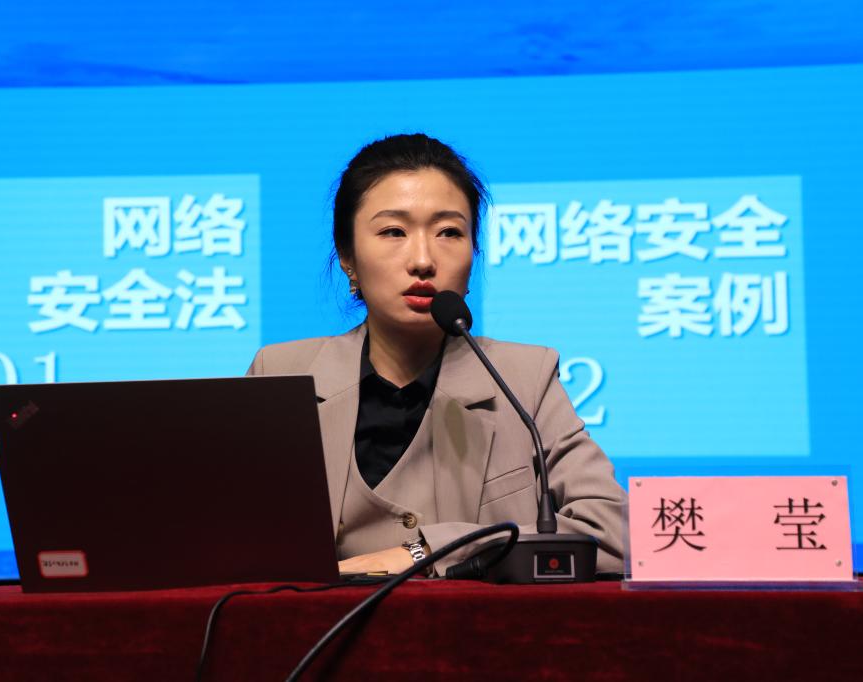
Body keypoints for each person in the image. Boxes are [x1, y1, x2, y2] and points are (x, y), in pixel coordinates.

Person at [247, 133, 626, 576]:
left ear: (474, 252)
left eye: (449, 232)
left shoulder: (525, 379)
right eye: (393, 231)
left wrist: (431, 551)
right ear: (348, 256)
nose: (423, 260)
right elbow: (225, 541)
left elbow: (614, 534)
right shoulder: (282, 374)